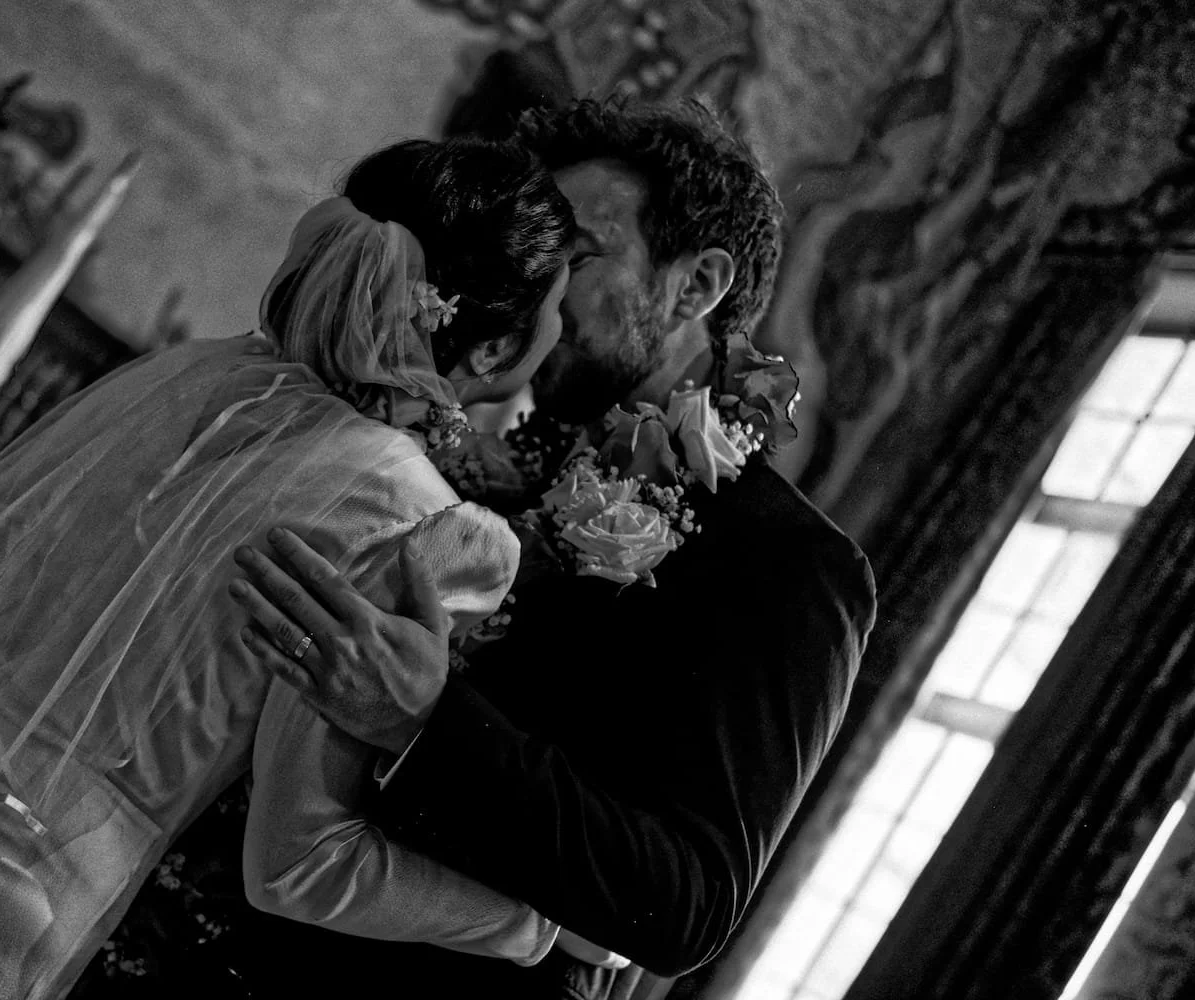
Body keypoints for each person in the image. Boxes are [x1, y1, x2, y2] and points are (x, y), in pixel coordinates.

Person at [0, 137, 604, 998]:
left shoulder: (197, 377)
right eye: (556, 308)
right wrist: (537, 925)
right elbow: (300, 865)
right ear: (489, 350)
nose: (561, 327)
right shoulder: (424, 527)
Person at [229, 97, 879, 999]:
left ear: (696, 288)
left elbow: (686, 904)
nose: (539, 284)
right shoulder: (485, 458)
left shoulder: (787, 563)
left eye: (577, 255)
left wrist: (425, 725)